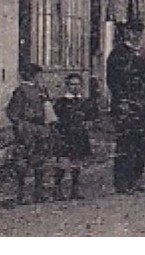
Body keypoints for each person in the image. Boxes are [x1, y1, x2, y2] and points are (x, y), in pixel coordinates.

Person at [106, 18, 145, 195]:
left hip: (143, 107)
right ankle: (122, 182)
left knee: (141, 144)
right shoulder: (117, 54)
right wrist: (122, 102)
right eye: (132, 32)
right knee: (125, 144)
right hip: (126, 106)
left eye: (139, 32)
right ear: (126, 32)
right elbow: (113, 82)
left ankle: (136, 179)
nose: (136, 35)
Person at [4, 63, 51, 205]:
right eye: (38, 75)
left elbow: (48, 108)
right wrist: (20, 125)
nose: (40, 77)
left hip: (40, 128)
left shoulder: (41, 90)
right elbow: (12, 112)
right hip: (27, 128)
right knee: (22, 161)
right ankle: (21, 193)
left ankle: (39, 192)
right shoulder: (21, 91)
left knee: (40, 160)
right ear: (32, 75)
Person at [50, 72, 95, 200]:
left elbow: (91, 117)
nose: (75, 87)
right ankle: (57, 189)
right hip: (65, 135)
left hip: (80, 135)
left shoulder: (85, 102)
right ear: (67, 86)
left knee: (77, 162)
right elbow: (55, 119)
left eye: (78, 85)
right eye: (72, 84)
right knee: (63, 162)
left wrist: (88, 123)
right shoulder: (61, 102)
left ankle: (75, 189)